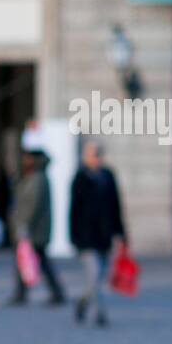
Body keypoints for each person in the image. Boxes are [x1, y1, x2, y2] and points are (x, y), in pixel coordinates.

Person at [69, 138, 126, 327]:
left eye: (99, 154)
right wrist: (74, 237)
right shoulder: (80, 177)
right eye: (94, 154)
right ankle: (100, 314)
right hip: (86, 236)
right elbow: (74, 210)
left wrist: (121, 233)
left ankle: (82, 303)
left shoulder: (108, 176)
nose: (97, 158)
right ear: (86, 156)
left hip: (104, 235)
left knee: (98, 277)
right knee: (94, 275)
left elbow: (116, 206)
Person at [6, 149, 64, 306]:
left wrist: (23, 226)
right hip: (33, 230)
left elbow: (31, 205)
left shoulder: (37, 178)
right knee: (33, 261)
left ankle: (24, 293)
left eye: (28, 158)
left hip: (33, 231)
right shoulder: (32, 177)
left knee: (32, 261)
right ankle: (28, 292)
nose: (25, 161)